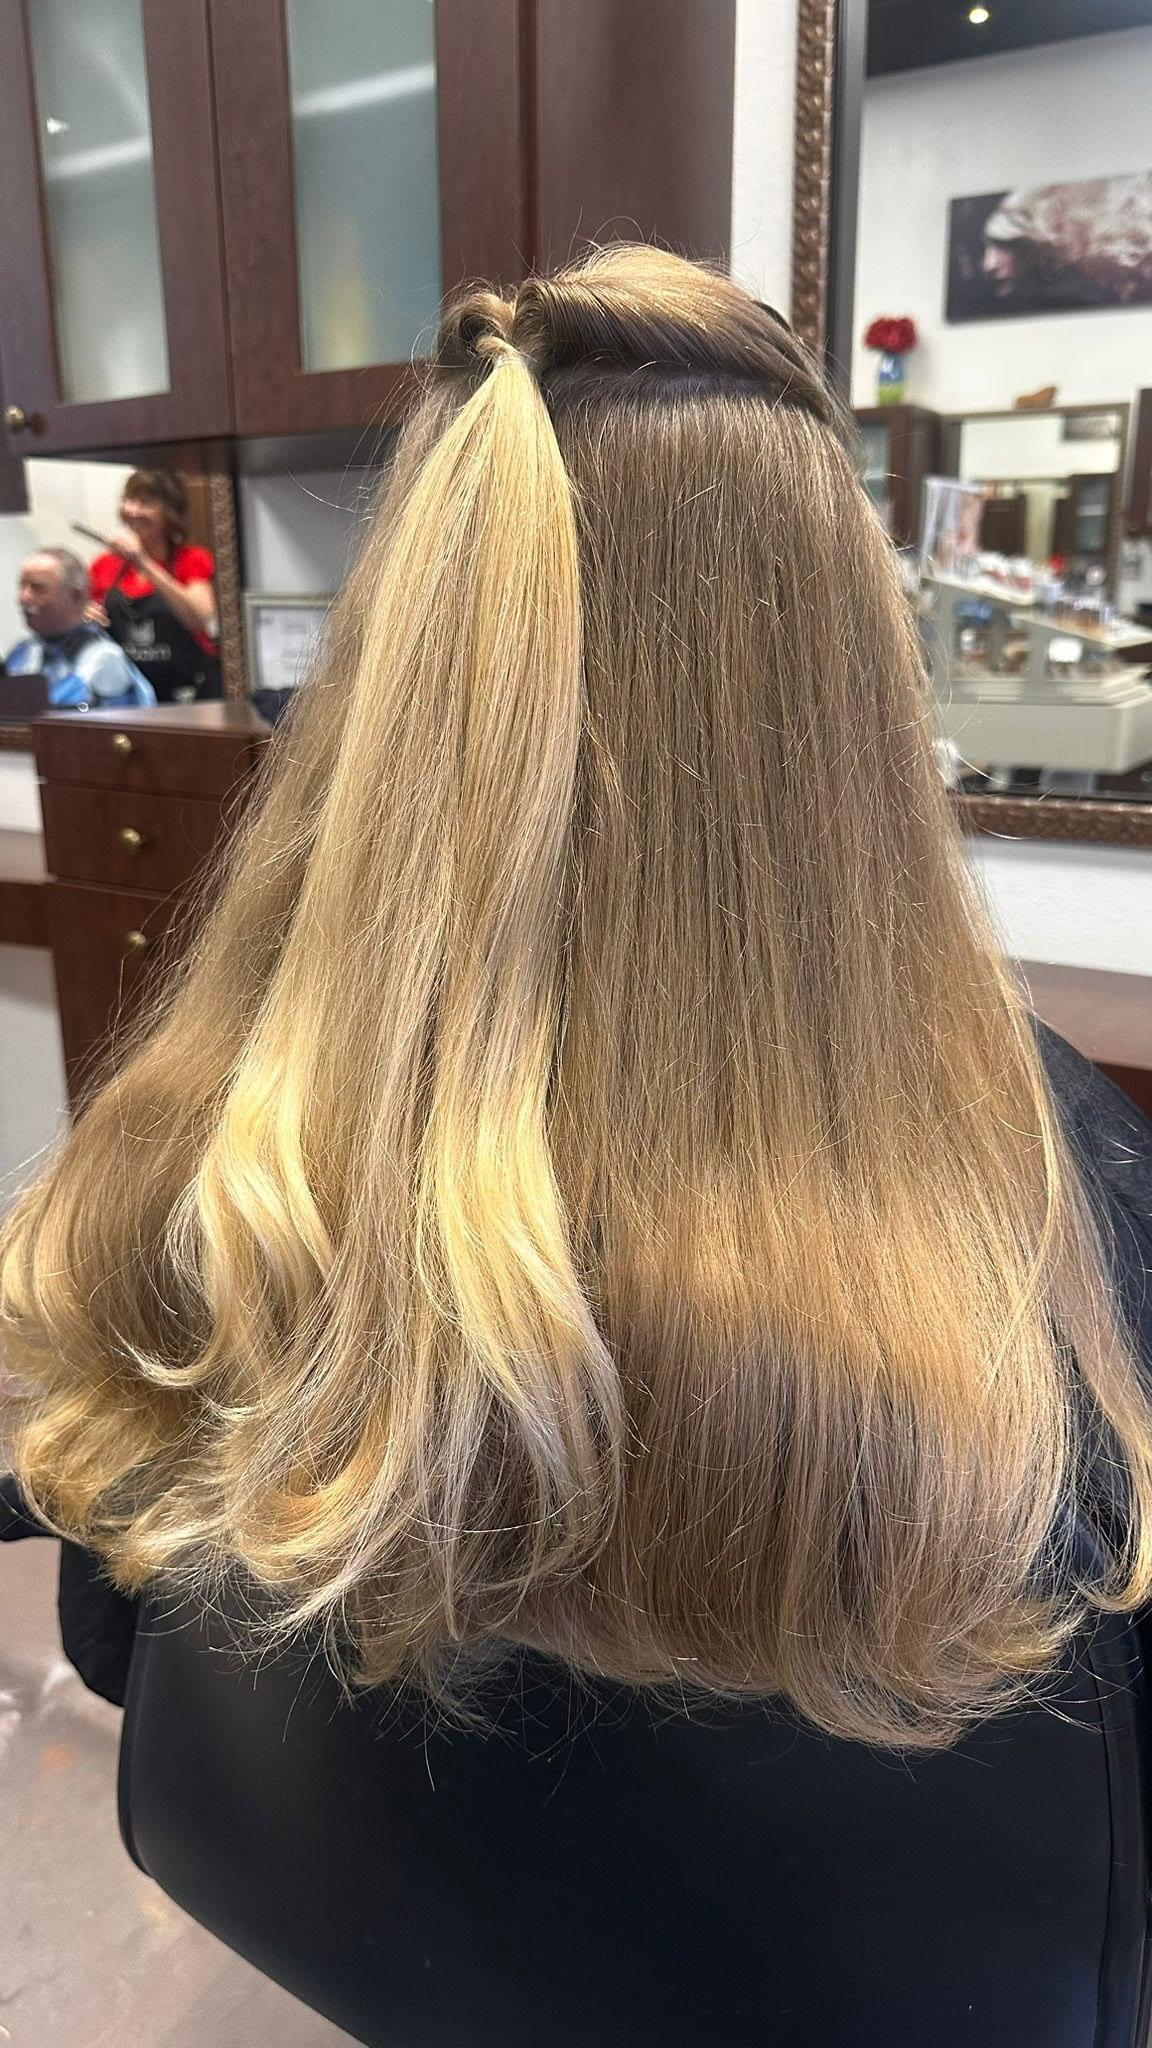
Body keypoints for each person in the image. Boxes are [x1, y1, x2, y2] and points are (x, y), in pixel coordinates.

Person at [3, 248, 1152, 2043]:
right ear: (853, 694)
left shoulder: (201, 1161)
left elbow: (104, 1635)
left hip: (326, 1923)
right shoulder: (1056, 1200)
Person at [88, 468, 221, 703]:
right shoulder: (104, 565)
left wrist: (143, 563)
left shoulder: (192, 559)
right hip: (129, 698)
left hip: (189, 697)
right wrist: (86, 614)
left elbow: (198, 617)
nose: (133, 510)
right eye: (130, 499)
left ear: (169, 511)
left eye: (146, 502)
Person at [5, 547, 154, 708]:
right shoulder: (21, 653)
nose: (24, 597)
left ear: (77, 595)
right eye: (22, 587)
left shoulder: (103, 660)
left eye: (38, 588)